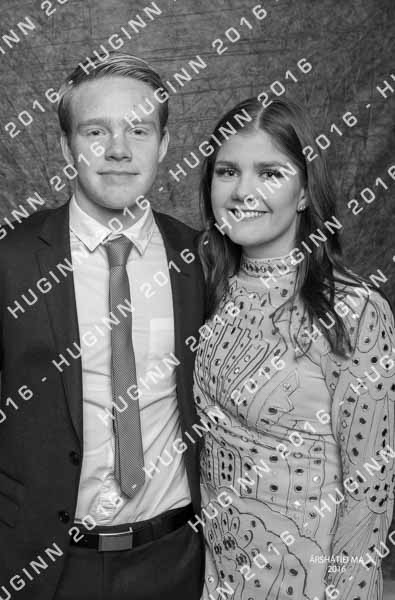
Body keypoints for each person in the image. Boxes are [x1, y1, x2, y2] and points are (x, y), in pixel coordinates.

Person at [0, 53, 205, 600]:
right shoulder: (4, 260)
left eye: (139, 130)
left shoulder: (200, 258)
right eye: (96, 131)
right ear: (67, 148)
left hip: (176, 563)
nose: (118, 149)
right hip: (41, 568)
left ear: (164, 144)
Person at [193, 96, 395, 600]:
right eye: (227, 172)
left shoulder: (354, 311)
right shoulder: (207, 287)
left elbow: (370, 489)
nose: (243, 191)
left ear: (305, 192)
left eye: (270, 173)